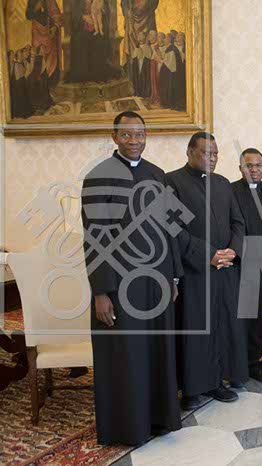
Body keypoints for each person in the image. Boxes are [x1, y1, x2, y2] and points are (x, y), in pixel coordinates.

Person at [81, 111, 183, 445]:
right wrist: (101, 292)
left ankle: (159, 420)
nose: (134, 141)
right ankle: (128, 428)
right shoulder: (98, 177)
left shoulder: (157, 174)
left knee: (156, 350)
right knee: (127, 355)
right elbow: (94, 238)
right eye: (126, 135)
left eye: (140, 134)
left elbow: (170, 229)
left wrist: (174, 277)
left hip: (156, 280)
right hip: (119, 283)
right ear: (114, 137)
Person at [166, 132, 248, 410]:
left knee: (221, 327)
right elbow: (173, 229)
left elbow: (238, 222)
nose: (212, 158)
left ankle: (216, 382)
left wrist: (232, 251)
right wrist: (208, 255)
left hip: (225, 270)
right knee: (195, 329)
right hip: (195, 272)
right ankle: (192, 388)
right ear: (190, 151)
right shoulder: (172, 182)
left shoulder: (223, 183)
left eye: (215, 154)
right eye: (206, 153)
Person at [231, 148, 262, 383]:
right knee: (238, 318)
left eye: (259, 165)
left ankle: (254, 363)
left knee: (260, 316)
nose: (254, 170)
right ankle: (235, 366)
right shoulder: (229, 191)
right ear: (241, 168)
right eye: (249, 165)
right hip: (238, 263)